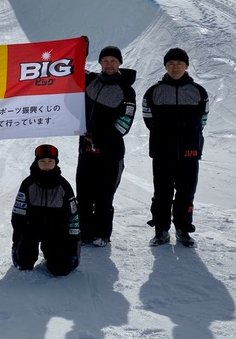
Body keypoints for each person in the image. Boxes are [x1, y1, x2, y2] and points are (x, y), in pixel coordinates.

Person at [142, 48, 209, 247]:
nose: (175, 67)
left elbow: (202, 119)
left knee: (186, 193)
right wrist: (163, 136)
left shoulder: (198, 91)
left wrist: (189, 138)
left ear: (186, 66)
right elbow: (148, 118)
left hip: (190, 153)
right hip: (162, 153)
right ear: (165, 66)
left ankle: (183, 230)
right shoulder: (154, 91)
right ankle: (161, 230)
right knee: (162, 193)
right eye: (171, 64)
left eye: (179, 64)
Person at [75, 45, 136, 247]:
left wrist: (99, 139)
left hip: (111, 153)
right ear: (100, 63)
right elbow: (69, 68)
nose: (109, 64)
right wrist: (80, 48)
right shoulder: (90, 81)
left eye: (113, 61)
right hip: (86, 151)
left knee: (104, 197)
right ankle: (84, 232)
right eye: (105, 60)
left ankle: (102, 233)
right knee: (83, 195)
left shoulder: (126, 91)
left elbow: (124, 124)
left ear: (119, 63)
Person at [11, 144, 81, 276]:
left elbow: (73, 215)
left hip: (56, 231)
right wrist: (17, 238)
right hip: (31, 229)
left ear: (56, 162)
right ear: (36, 162)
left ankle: (57, 253)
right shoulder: (28, 184)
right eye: (42, 161)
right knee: (23, 264)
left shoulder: (63, 186)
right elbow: (18, 214)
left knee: (61, 269)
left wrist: (73, 241)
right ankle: (20, 250)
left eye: (50, 161)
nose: (46, 165)